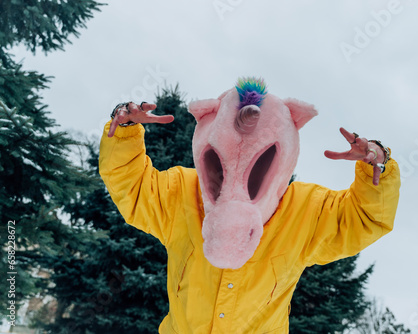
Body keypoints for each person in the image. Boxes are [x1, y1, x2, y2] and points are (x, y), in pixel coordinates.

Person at [99, 83, 400, 333]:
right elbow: (133, 187)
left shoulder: (306, 211)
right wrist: (124, 128)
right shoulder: (183, 194)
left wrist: (379, 162)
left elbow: (366, 218)